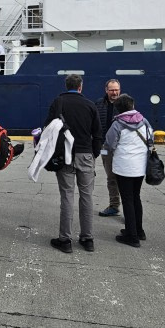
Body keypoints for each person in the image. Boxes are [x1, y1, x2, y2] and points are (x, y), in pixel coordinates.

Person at [46, 74, 102, 253]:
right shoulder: (90, 105)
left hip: (65, 155)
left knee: (67, 196)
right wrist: (94, 153)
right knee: (87, 196)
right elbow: (98, 133)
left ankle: (65, 240)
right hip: (86, 155)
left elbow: (49, 127)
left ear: (66, 85)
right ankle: (87, 239)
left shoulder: (58, 102)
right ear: (80, 87)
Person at [105, 94, 152, 248]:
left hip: (124, 167)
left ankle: (132, 236)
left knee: (127, 200)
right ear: (132, 105)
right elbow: (150, 139)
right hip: (140, 167)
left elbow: (110, 144)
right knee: (136, 197)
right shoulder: (144, 121)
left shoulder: (117, 124)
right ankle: (139, 230)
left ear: (118, 108)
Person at [95, 79, 122, 217]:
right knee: (111, 178)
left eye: (116, 89)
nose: (114, 92)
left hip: (122, 148)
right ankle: (114, 205)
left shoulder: (125, 104)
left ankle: (130, 210)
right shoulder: (99, 104)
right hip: (105, 147)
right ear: (106, 90)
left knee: (125, 178)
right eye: (111, 90)